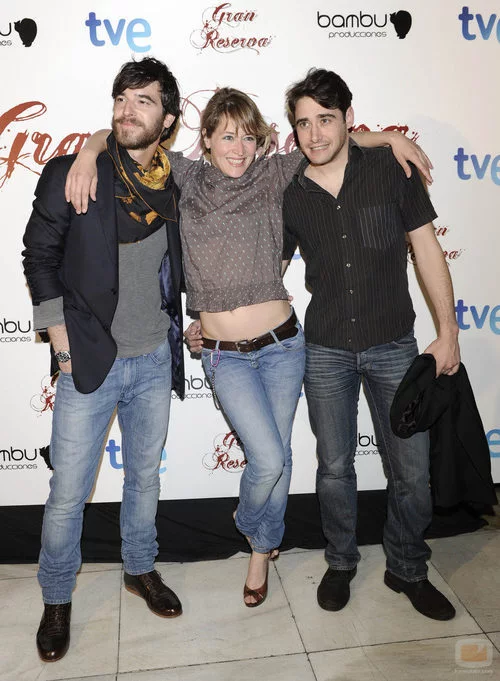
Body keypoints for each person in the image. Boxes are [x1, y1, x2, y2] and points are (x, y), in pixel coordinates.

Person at [66, 82, 432, 609]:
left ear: (260, 141)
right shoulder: (185, 177)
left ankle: (261, 551)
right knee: (268, 457)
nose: (238, 148)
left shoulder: (273, 173)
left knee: (280, 457)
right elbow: (126, 141)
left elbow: (330, 140)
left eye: (247, 137)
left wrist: (388, 138)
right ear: (206, 141)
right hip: (224, 356)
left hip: (284, 347)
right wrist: (88, 150)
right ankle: (250, 520)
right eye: (226, 136)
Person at [281, 68, 460, 620]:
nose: (314, 134)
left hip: (393, 344)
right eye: (303, 123)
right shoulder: (289, 191)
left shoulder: (390, 169)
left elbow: (426, 250)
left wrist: (448, 332)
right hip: (325, 349)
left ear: (349, 119)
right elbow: (266, 272)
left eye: (326, 119)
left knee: (411, 471)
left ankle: (407, 567)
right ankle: (340, 561)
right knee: (335, 468)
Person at [22, 57, 185, 663]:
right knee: (68, 493)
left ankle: (139, 568)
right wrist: (60, 343)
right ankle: (56, 598)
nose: (127, 110)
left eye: (144, 100)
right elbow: (39, 257)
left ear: (168, 120)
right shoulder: (75, 172)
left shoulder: (175, 182)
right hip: (89, 360)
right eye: (121, 98)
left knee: (144, 477)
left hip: (153, 358)